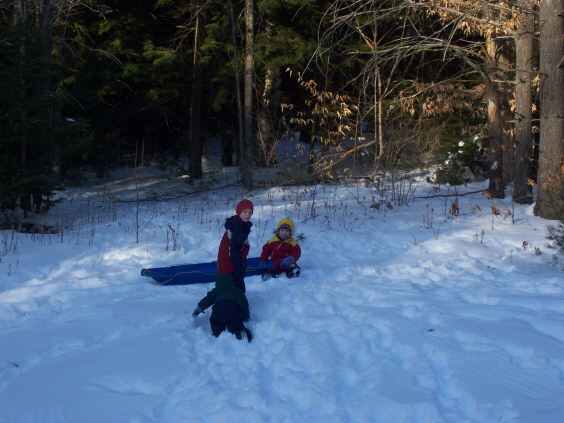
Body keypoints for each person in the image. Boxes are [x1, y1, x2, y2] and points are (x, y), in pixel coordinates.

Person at [192, 274, 252, 342]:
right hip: (234, 309)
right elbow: (245, 304)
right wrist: (246, 317)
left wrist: (199, 308)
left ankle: (217, 333)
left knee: (215, 321)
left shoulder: (217, 290)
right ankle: (241, 333)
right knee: (235, 324)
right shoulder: (238, 291)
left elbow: (208, 299)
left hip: (219, 308)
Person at [217, 199, 253, 293]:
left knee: (232, 287)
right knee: (237, 289)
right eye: (245, 211)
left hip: (228, 264)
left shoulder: (236, 224)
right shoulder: (239, 229)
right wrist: (239, 267)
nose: (247, 215)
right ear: (239, 212)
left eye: (250, 212)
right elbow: (235, 250)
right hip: (231, 266)